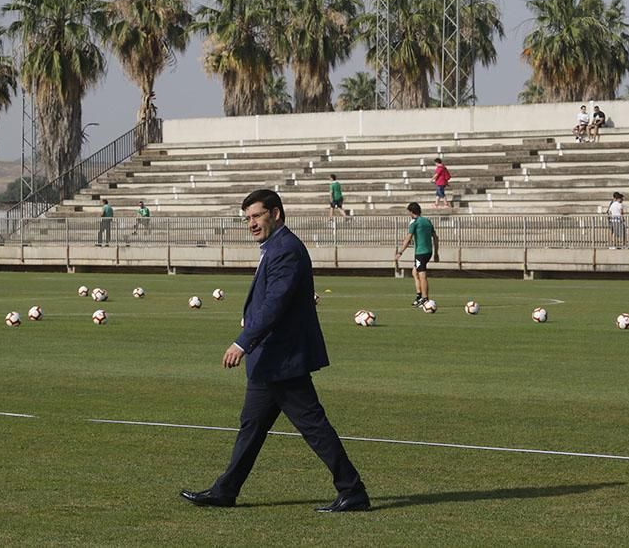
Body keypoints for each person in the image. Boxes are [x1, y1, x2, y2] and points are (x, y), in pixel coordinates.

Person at [180, 189, 369, 513]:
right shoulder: (275, 247)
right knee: (251, 428)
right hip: (270, 360)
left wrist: (242, 342)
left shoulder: (285, 249)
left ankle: (352, 490)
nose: (251, 224)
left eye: (256, 216)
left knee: (313, 426)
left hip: (282, 360)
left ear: (276, 214)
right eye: (247, 219)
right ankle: (226, 490)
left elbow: (275, 305)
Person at [395, 202, 440, 307]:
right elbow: (436, 237)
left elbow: (408, 238)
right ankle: (419, 296)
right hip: (429, 251)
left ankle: (425, 299)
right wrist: (436, 253)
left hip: (420, 253)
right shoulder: (427, 221)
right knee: (415, 272)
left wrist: (400, 252)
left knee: (422, 275)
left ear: (411, 212)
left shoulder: (414, 222)